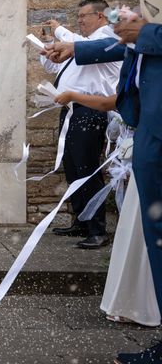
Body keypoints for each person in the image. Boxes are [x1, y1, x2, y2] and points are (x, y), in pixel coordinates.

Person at [45, 0, 162, 363]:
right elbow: (124, 46)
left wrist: (145, 35)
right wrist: (70, 51)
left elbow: (146, 41)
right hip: (146, 120)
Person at [55, 91, 160, 327]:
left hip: (150, 153)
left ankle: (143, 305)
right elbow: (117, 100)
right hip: (143, 155)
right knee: (133, 234)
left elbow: (108, 101)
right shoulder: (139, 79)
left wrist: (73, 91)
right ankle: (129, 303)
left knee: (143, 236)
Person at [40, 0, 121, 249]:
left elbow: (85, 47)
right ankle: (81, 220)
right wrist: (48, 46)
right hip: (71, 110)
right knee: (72, 167)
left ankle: (98, 229)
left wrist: (60, 31)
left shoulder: (106, 38)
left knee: (87, 169)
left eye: (84, 16)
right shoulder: (78, 44)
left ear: (101, 16)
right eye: (78, 17)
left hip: (92, 111)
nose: (80, 20)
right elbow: (53, 66)